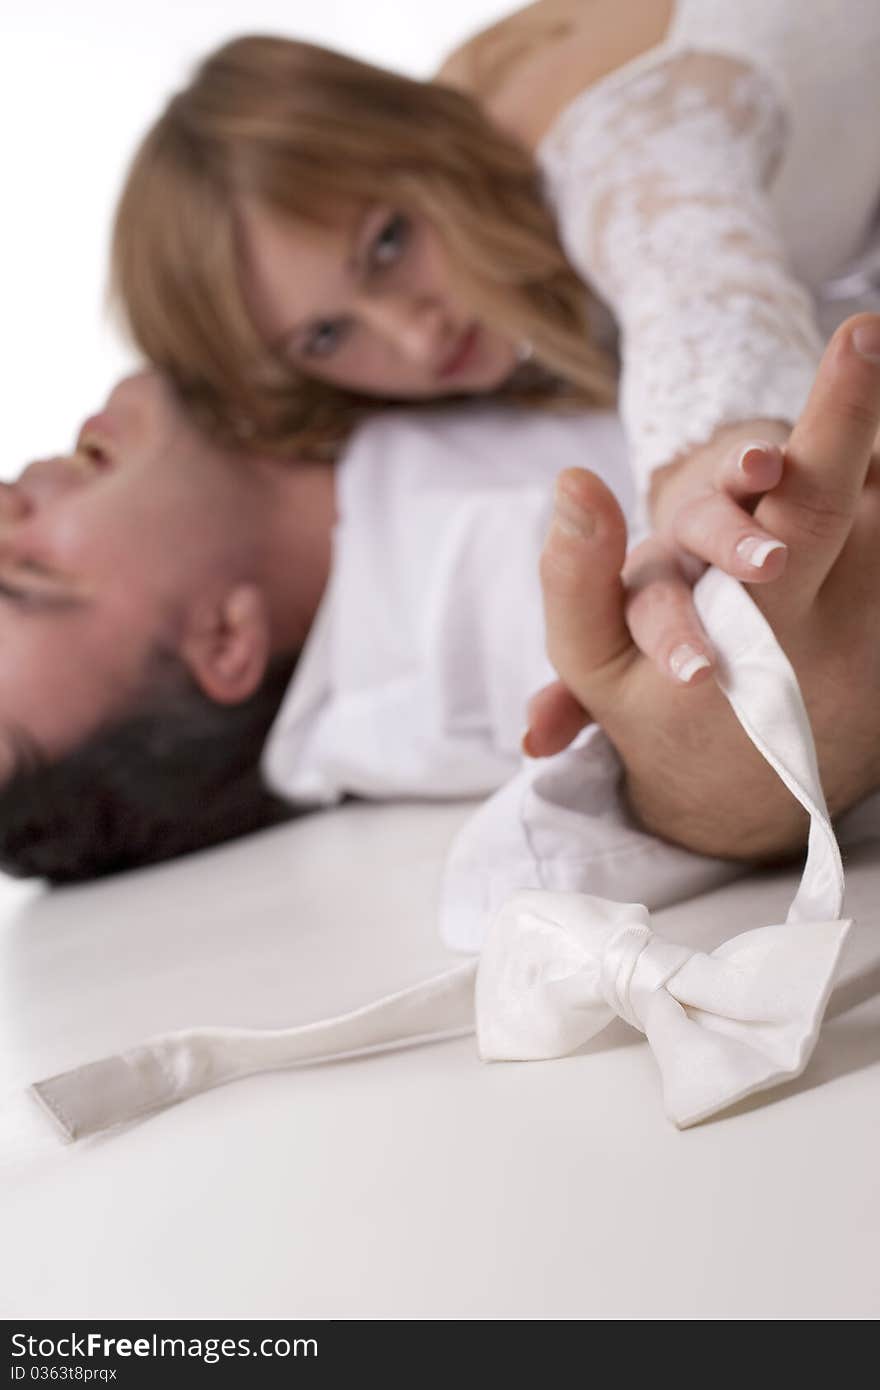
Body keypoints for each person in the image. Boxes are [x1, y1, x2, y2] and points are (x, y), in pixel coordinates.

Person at [111, 2, 880, 685]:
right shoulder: (477, 176)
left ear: (416, 138)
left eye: (387, 244)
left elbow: (698, 295)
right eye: (325, 334)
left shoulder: (624, 145)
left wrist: (704, 485)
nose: (414, 338)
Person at [0, 316, 878, 883]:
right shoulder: (452, 621)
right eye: (24, 572)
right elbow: (715, 745)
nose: (7, 506)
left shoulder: (286, 333)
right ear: (226, 639)